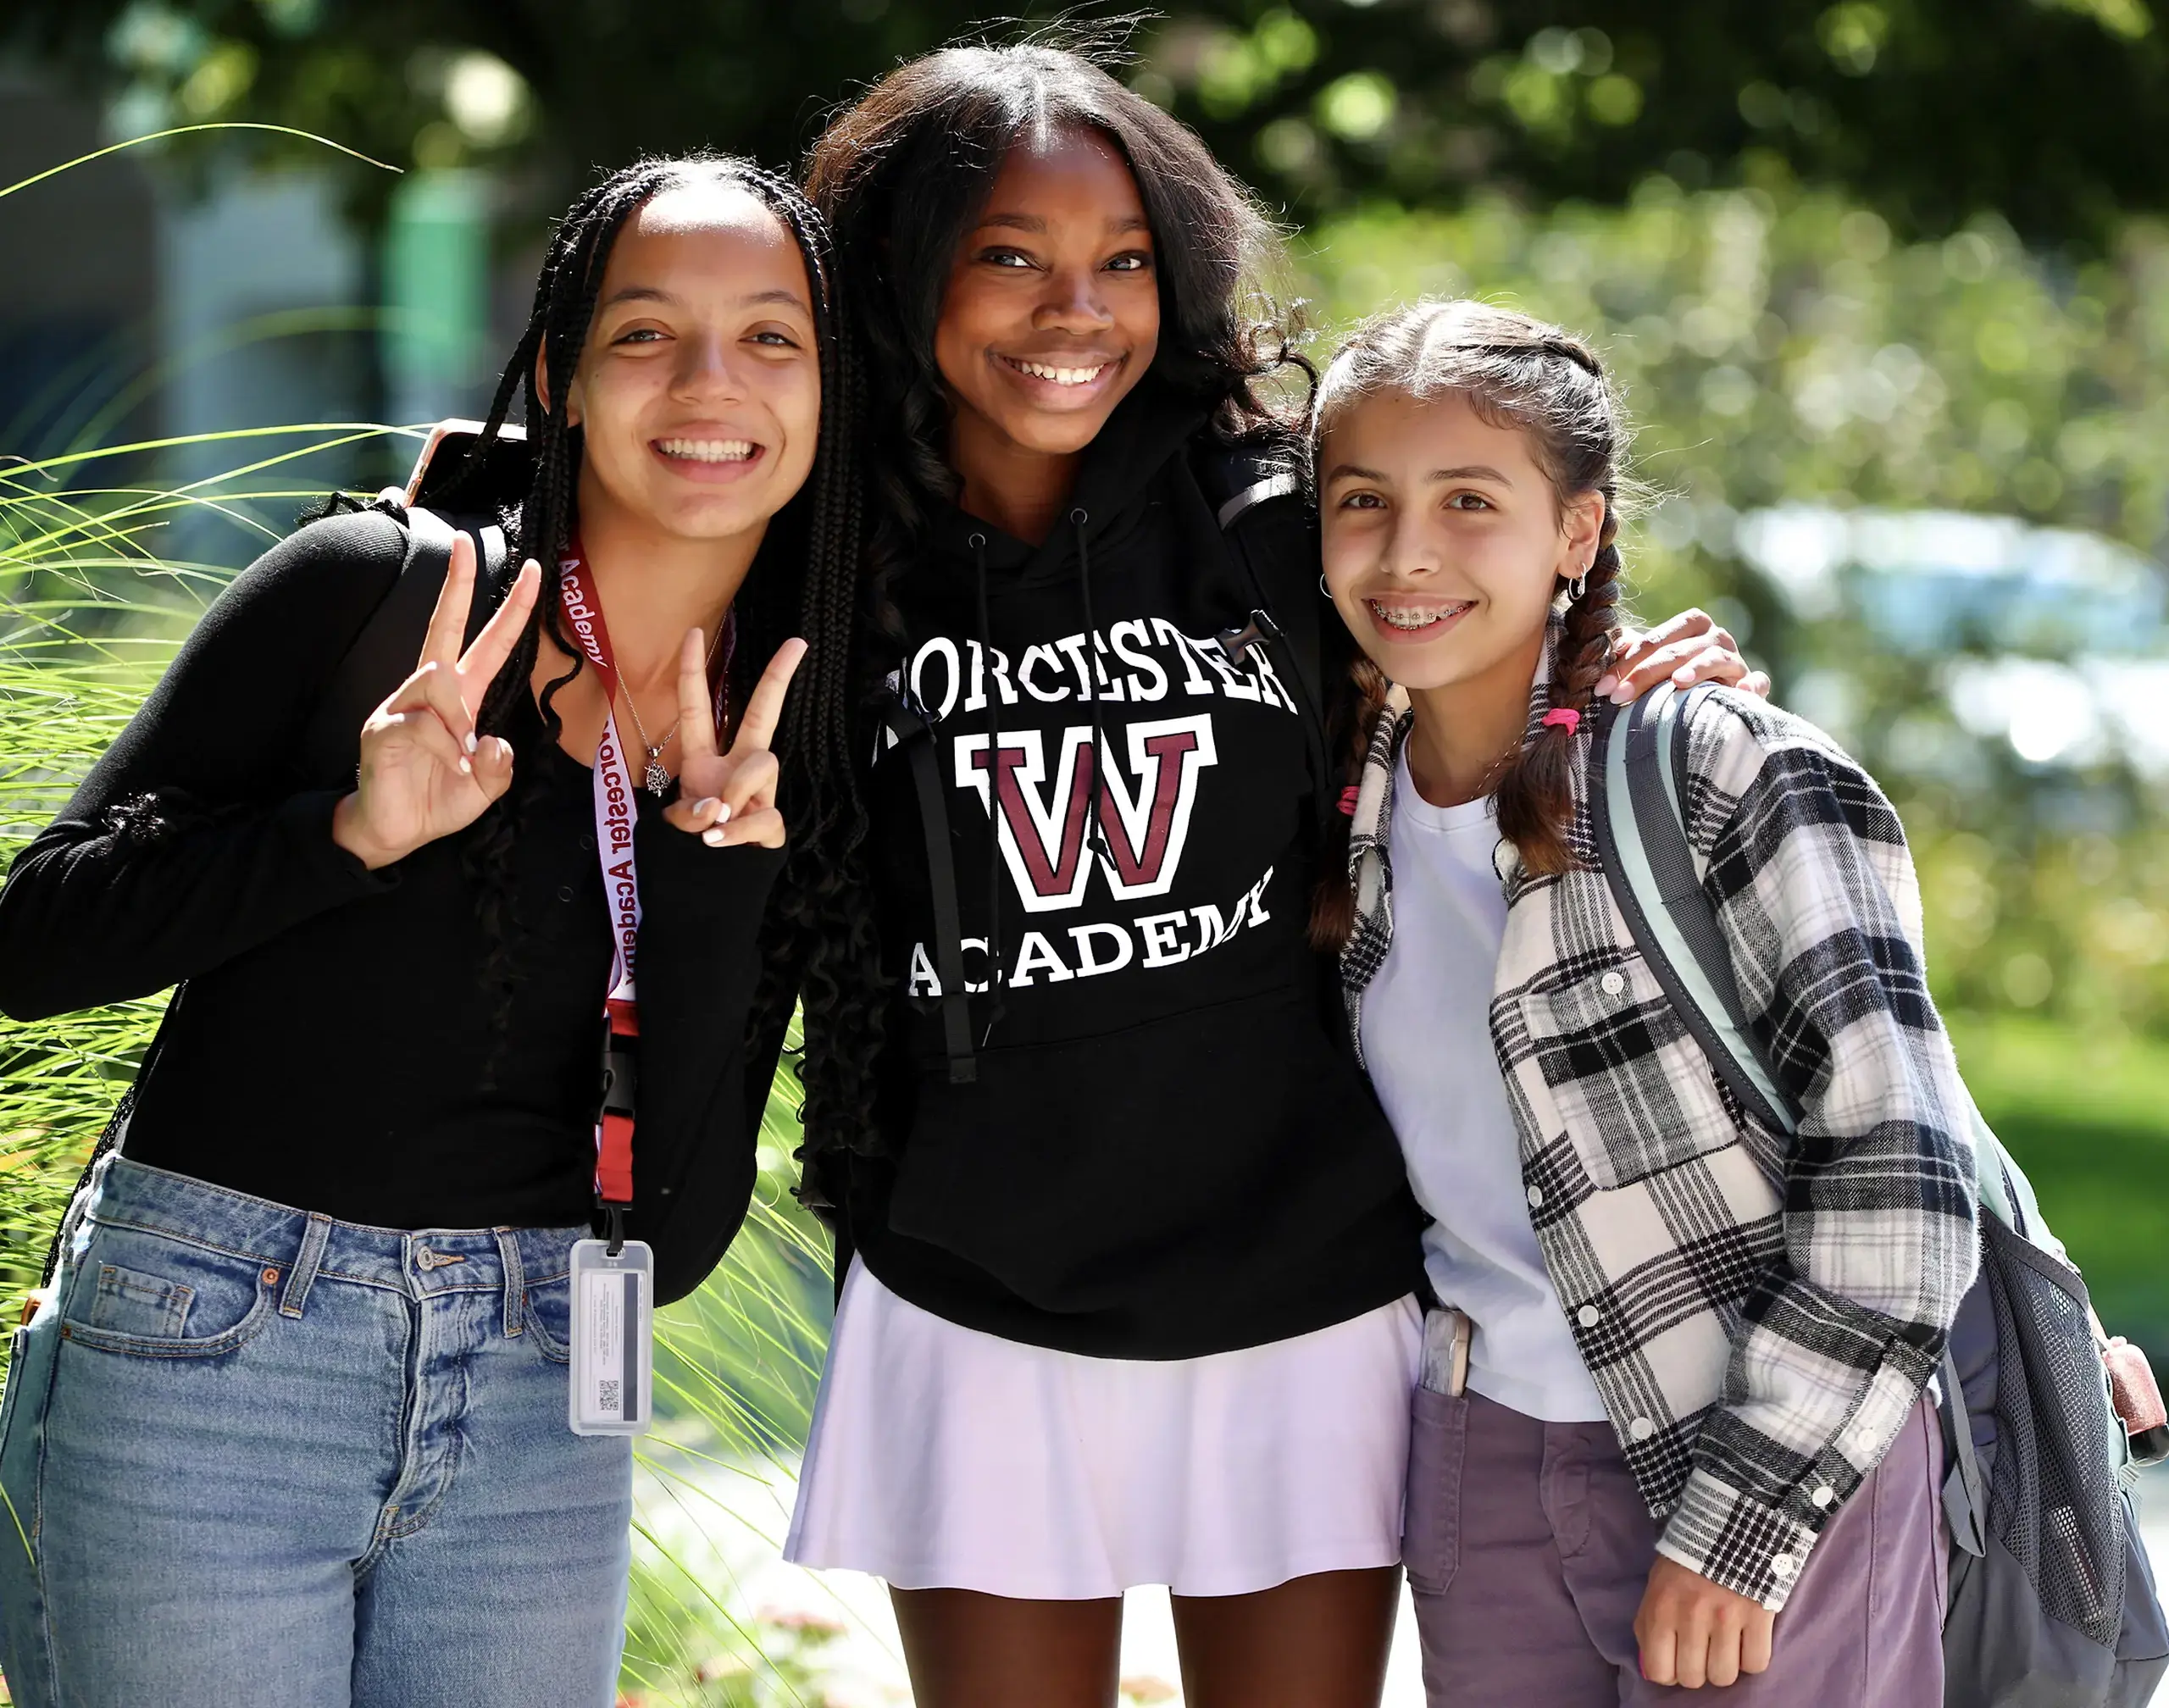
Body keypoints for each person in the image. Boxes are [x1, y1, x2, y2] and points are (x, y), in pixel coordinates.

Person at [771, 45, 1767, 1708]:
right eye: (1007, 254)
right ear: (903, 266)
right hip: (973, 1286)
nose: (1069, 309)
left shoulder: (1271, 518)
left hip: (1300, 1283)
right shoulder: (822, 553)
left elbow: (1491, 701)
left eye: (1121, 262)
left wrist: (1609, 693)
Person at [0, 153, 865, 1708]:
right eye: (647, 333)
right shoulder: (377, 595)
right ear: (562, 377)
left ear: (830, 385)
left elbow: (667, 1243)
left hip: (549, 1392)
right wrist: (346, 832)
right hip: (212, 1354)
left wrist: (716, 881)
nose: (710, 382)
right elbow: (30, 945)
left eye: (772, 337)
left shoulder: (792, 730)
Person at [1312, 297, 1976, 1703]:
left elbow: (1903, 1178)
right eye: (1362, 500)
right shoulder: (1347, 797)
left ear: (1577, 532)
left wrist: (1745, 1522)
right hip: (1483, 1466)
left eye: (1470, 500)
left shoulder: (1723, 773)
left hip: (1759, 1457)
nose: (1408, 550)